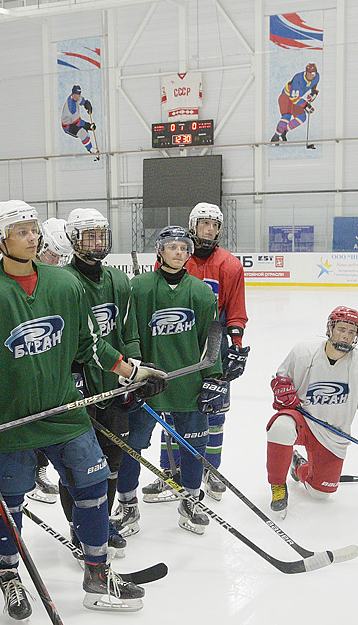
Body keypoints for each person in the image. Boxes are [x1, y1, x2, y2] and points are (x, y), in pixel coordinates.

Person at [0, 199, 163, 614]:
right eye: (21, 231)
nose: (32, 238)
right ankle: (9, 574)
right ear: (0, 239)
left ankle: (97, 571)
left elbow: (89, 346)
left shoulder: (66, 286)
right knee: (7, 504)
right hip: (11, 423)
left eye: (34, 229)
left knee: (93, 489)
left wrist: (131, 370)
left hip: (66, 413)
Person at [117, 225, 223, 536]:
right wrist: (139, 368)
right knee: (131, 446)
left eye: (183, 247)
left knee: (193, 447)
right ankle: (127, 506)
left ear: (189, 253)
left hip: (188, 384)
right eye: (172, 246)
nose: (178, 251)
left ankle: (189, 501)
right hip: (148, 383)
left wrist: (212, 378)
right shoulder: (140, 287)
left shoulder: (201, 292)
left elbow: (210, 340)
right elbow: (131, 331)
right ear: (160, 251)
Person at [60, 206, 140, 555]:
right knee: (80, 466)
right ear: (73, 239)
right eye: (88, 235)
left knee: (112, 463)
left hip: (114, 383)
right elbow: (64, 342)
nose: (96, 242)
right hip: (78, 388)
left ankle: (101, 521)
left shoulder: (119, 281)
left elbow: (128, 331)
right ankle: (80, 529)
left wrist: (134, 372)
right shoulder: (62, 282)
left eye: (100, 235)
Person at [266, 307, 358, 517]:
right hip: (302, 421)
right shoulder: (304, 352)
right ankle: (278, 486)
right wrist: (281, 389)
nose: (346, 335)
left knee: (321, 493)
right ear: (330, 329)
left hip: (333, 432)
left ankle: (298, 466)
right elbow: (281, 377)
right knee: (280, 427)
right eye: (341, 329)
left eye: (351, 332)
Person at [182, 201, 248, 500]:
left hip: (215, 339)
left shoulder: (230, 265)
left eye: (215, 224)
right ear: (193, 225)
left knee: (215, 409)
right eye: (204, 223)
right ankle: (171, 471)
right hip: (179, 340)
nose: (210, 229)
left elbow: (235, 310)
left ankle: (210, 468)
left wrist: (235, 345)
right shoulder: (176, 256)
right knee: (175, 409)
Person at [271, 62, 319, 144]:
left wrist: (313, 92)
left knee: (302, 117)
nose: (311, 76)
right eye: (309, 73)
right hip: (286, 97)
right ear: (306, 72)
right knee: (287, 116)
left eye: (313, 73)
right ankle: (276, 136)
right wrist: (305, 105)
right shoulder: (298, 79)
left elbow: (314, 85)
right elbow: (293, 98)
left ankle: (284, 132)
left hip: (296, 98)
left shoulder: (317, 77)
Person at [61, 84, 97, 154]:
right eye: (76, 95)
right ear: (73, 94)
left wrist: (87, 104)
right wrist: (88, 125)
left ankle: (91, 148)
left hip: (74, 121)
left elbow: (82, 100)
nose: (77, 97)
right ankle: (91, 150)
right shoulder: (71, 107)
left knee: (85, 131)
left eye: (78, 95)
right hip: (68, 125)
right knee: (82, 132)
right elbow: (77, 122)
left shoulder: (76, 97)